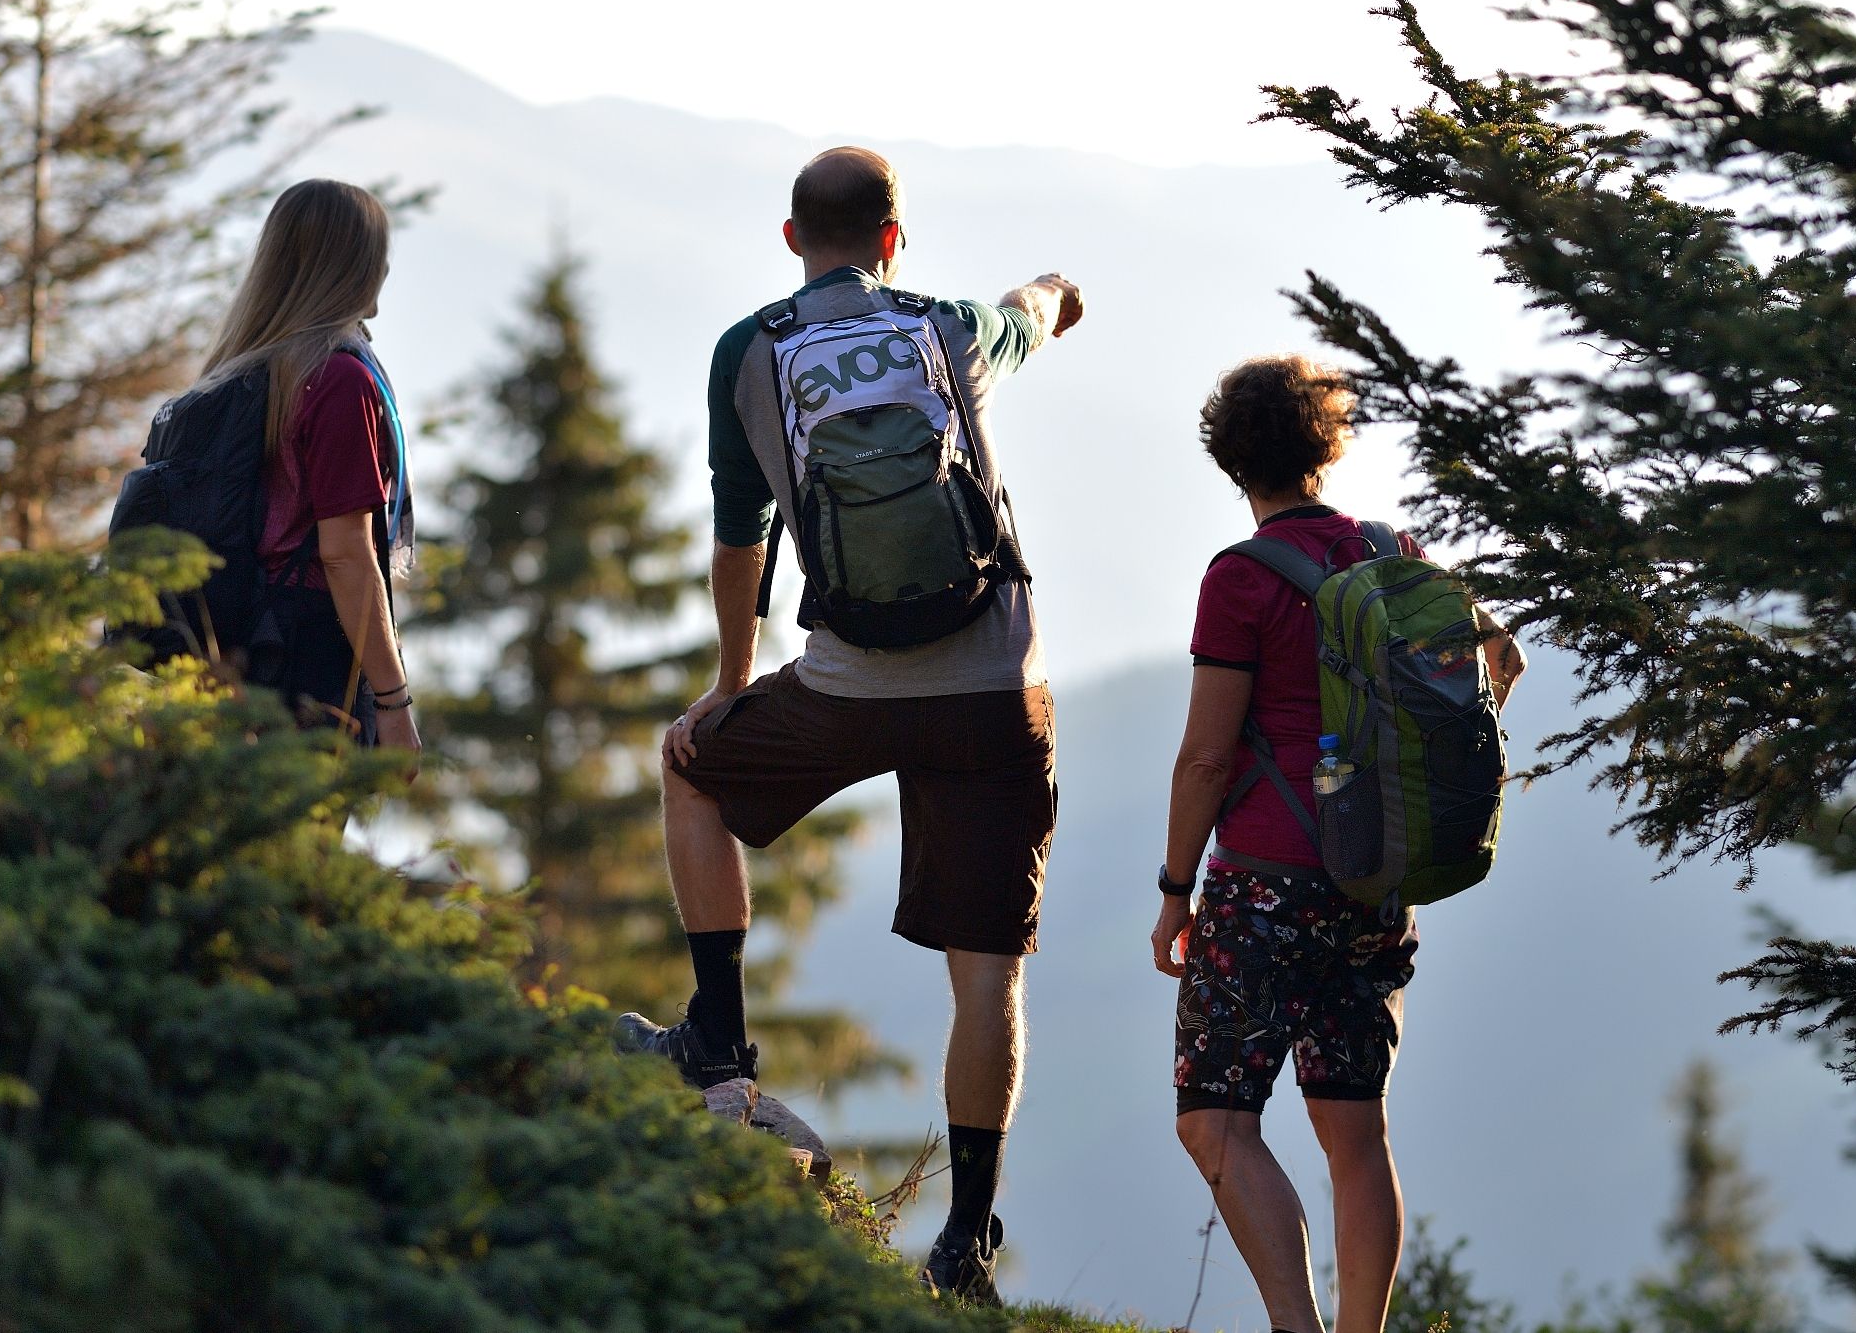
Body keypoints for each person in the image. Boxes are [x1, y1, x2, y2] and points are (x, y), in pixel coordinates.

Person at [614, 147, 1082, 1305]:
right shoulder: (951, 328)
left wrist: (730, 683)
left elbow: (740, 537)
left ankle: (716, 1041)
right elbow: (1034, 308)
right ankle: (963, 1245)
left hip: (847, 685)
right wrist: (1057, 292)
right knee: (988, 978)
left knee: (691, 770)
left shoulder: (750, 351)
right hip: (993, 687)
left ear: (791, 239)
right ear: (892, 238)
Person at [1149, 355, 1523, 1333]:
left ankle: (1295, 1327)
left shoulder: (1239, 577)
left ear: (1229, 458)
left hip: (1266, 885)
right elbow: (1502, 658)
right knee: (1355, 1132)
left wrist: (1174, 890)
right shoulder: (1391, 549)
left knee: (1215, 1119)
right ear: (1327, 442)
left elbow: (1205, 757)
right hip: (1377, 881)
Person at [192, 178, 421, 767]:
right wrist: (393, 702)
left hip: (235, 647)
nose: (387, 270)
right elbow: (344, 553)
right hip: (307, 655)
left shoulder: (243, 369)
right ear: (354, 267)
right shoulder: (338, 379)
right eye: (379, 254)